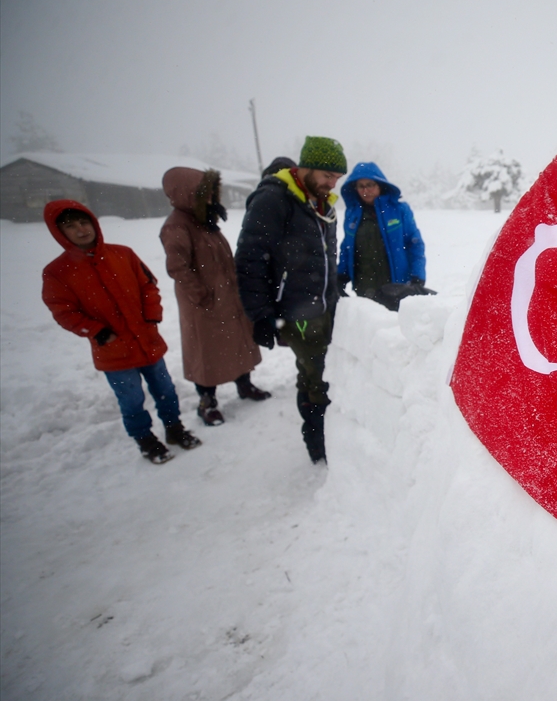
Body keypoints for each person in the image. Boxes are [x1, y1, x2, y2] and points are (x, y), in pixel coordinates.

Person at [41, 200, 202, 463]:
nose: (81, 230)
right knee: (131, 400)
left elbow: (148, 286)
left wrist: (151, 316)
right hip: (113, 351)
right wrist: (98, 332)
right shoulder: (57, 273)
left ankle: (174, 429)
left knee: (166, 390)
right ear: (59, 232)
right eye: (70, 226)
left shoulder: (122, 254)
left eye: (84, 222)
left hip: (148, 341)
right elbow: (63, 312)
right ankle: (145, 440)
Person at [235, 136, 345, 464]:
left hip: (324, 304)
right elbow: (250, 259)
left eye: (337, 178)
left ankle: (328, 432)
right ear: (305, 167)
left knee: (322, 371)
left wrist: (335, 288)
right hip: (296, 310)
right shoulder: (274, 199)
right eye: (327, 175)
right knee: (316, 378)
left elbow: (327, 254)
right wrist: (261, 314)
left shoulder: (322, 203)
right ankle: (319, 443)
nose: (332, 183)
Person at [160, 166, 270, 426]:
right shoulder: (177, 226)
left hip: (228, 296)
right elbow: (178, 267)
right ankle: (206, 403)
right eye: (203, 190)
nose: (210, 194)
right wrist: (202, 296)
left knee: (238, 343)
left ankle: (245, 385)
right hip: (204, 305)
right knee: (206, 355)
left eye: (211, 189)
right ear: (186, 193)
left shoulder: (204, 219)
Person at [337, 162, 427, 310]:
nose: (366, 190)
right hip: (364, 288)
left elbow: (415, 243)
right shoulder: (352, 214)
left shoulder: (399, 209)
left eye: (370, 184)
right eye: (361, 186)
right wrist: (341, 275)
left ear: (380, 185)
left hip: (397, 288)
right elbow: (347, 247)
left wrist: (418, 276)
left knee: (394, 329)